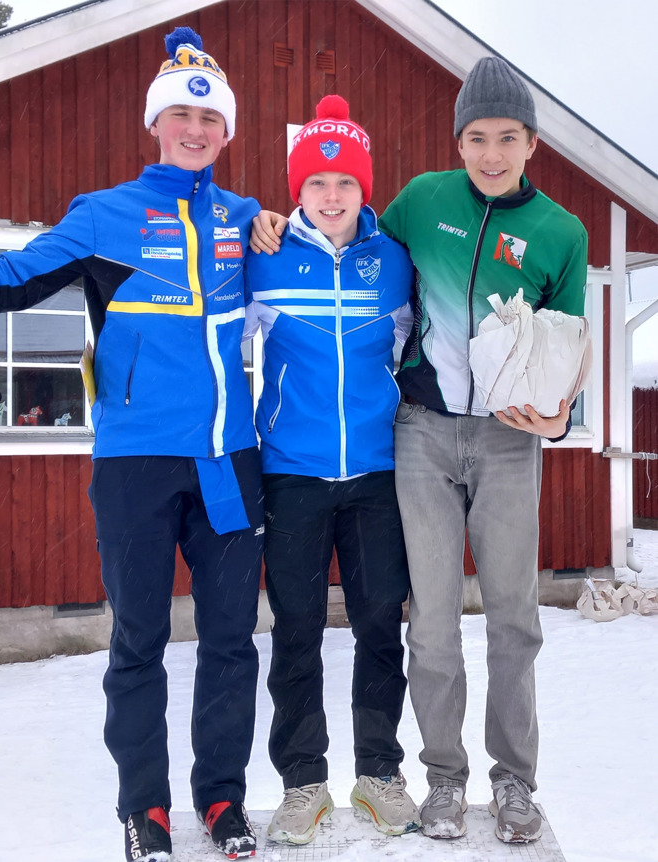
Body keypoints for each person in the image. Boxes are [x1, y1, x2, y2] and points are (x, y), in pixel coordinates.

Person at [0, 27, 264, 862]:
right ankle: (144, 812)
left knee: (230, 643)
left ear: (228, 133)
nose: (195, 129)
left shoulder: (247, 221)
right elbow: (10, 278)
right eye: (180, 113)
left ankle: (221, 801)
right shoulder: (103, 215)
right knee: (137, 642)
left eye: (209, 119)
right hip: (136, 464)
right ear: (155, 122)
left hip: (228, 461)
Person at [251, 56, 588, 846]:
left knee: (513, 620)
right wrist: (266, 220)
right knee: (429, 622)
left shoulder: (562, 233)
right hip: (422, 434)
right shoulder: (421, 201)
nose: (492, 153)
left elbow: (566, 348)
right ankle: (442, 778)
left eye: (508, 137)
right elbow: (343, 233)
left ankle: (514, 780)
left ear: (532, 144)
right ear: (458, 141)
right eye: (477, 137)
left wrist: (560, 417)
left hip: (509, 443)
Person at [244, 95, 420, 845]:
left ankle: (379, 773)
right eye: (317, 183)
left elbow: (414, 350)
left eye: (346, 180)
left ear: (364, 186)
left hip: (380, 472)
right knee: (297, 630)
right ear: (298, 190)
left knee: (382, 623)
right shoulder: (267, 255)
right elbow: (229, 348)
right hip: (293, 471)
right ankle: (302, 784)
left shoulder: (395, 263)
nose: (332, 194)